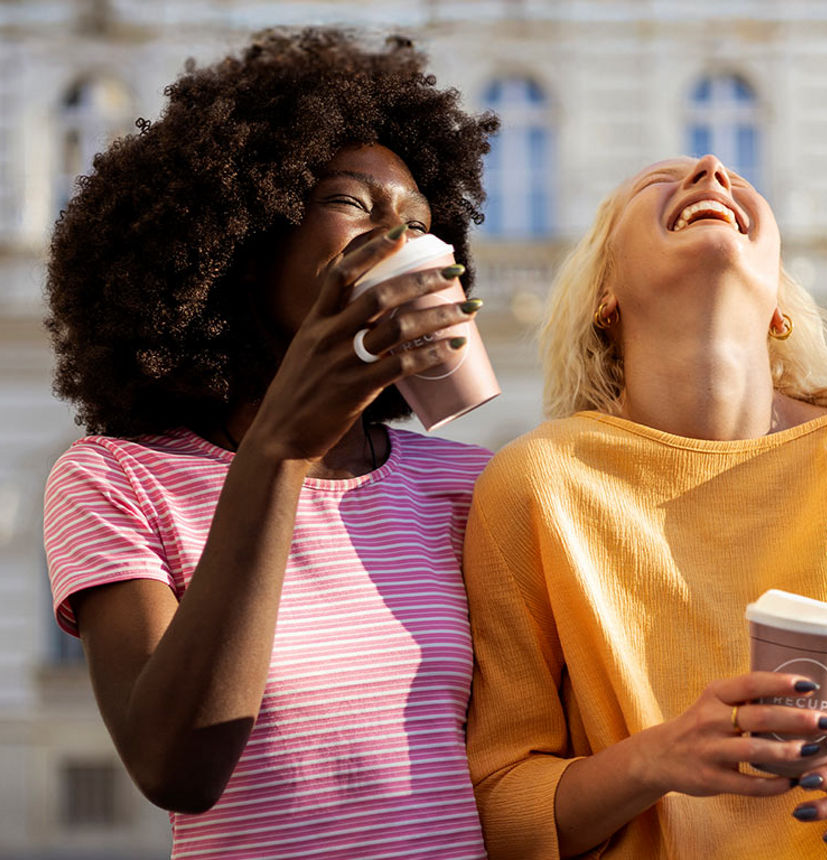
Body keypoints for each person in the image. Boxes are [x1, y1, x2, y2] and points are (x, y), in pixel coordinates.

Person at [462, 154, 827, 858]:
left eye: (738, 182)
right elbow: (500, 806)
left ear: (778, 301)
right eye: (657, 182)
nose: (713, 172)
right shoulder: (533, 484)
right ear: (606, 291)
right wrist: (653, 761)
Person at [42, 28, 498, 859]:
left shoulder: (471, 485)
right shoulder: (115, 480)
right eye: (355, 203)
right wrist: (278, 452)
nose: (400, 240)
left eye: (423, 224)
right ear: (243, 234)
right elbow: (175, 765)